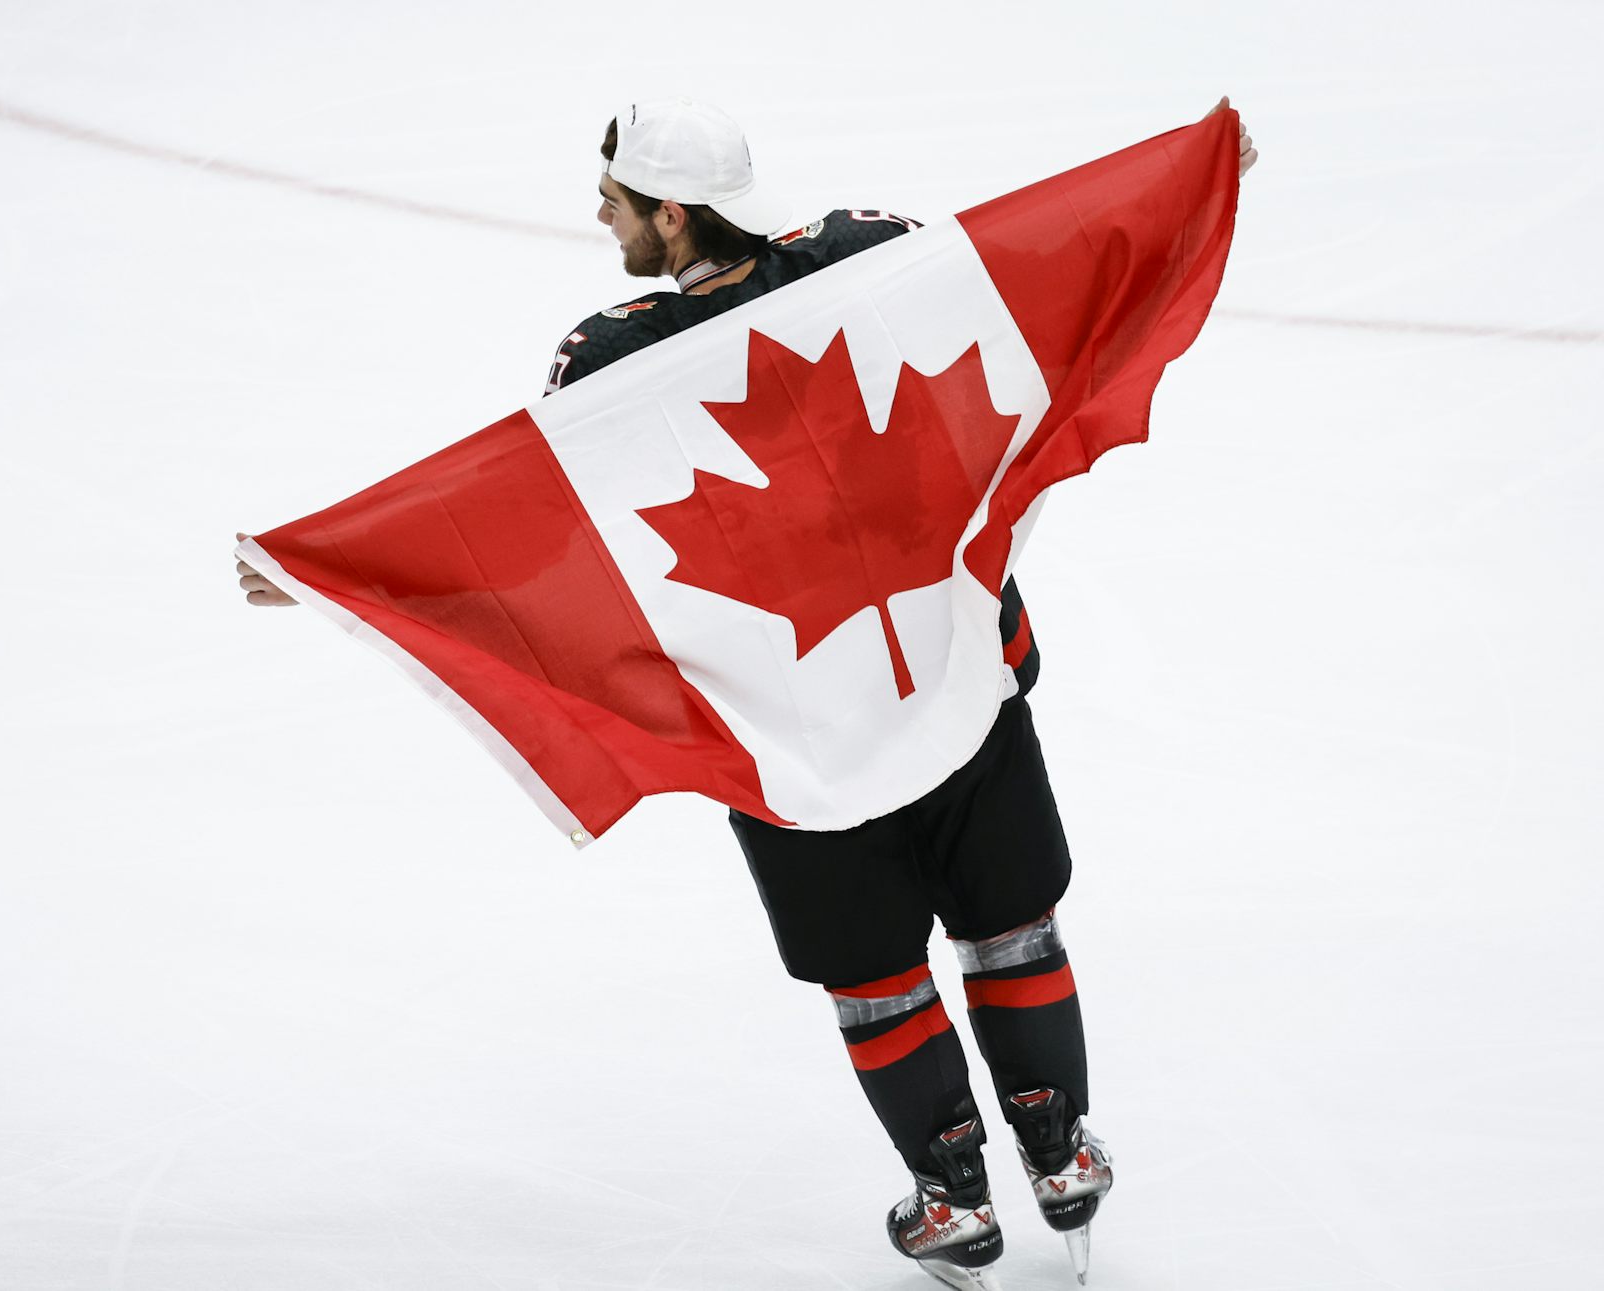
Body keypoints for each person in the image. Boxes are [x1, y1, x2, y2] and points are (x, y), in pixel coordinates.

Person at [239, 98, 1257, 1288]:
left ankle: (952, 1197)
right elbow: (1039, 274)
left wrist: (341, 575)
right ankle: (1061, 1151)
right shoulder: (870, 254)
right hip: (951, 670)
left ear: (672, 213)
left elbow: (529, 530)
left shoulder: (610, 360)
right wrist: (1190, 181)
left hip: (785, 730)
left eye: (616, 201)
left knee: (873, 973)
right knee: (1011, 922)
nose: (604, 219)